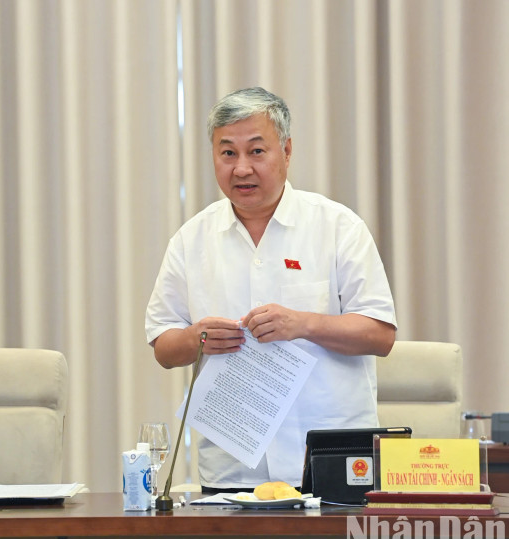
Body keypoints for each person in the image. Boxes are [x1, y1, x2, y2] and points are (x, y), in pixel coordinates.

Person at [145, 87, 396, 492]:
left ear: (287, 150)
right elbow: (163, 346)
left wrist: (304, 324)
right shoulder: (191, 240)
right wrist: (197, 338)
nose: (241, 168)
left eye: (256, 151)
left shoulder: (336, 227)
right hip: (233, 465)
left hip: (330, 459)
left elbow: (380, 335)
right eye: (228, 153)